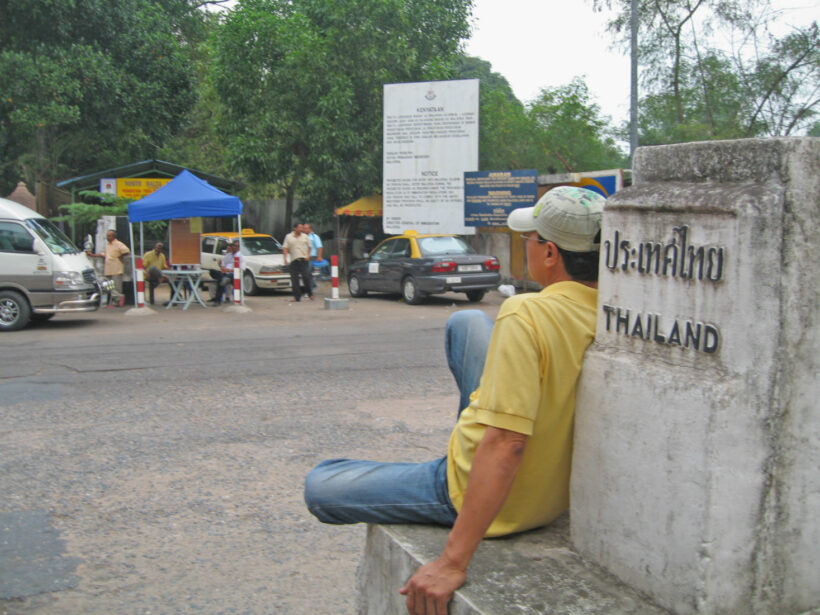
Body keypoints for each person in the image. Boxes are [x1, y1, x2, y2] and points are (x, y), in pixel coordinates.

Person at [304, 186, 605, 614]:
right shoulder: (613, 312)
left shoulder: (528, 312)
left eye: (531, 240)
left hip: (472, 491)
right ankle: (465, 435)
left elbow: (507, 444)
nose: (527, 247)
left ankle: (451, 461)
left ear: (551, 254)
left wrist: (452, 561)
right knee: (467, 321)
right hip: (549, 495)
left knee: (320, 484)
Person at [91, 230, 130, 308]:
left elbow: (126, 251)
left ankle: (117, 301)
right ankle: (118, 298)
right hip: (108, 268)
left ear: (113, 236)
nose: (107, 237)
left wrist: (120, 256)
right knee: (108, 285)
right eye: (107, 235)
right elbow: (103, 254)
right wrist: (92, 255)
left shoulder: (118, 244)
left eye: (109, 236)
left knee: (116, 286)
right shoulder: (108, 245)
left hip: (116, 267)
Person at [282, 222, 313, 302]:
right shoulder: (288, 237)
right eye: (299, 227)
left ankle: (310, 293)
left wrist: (308, 255)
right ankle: (296, 297)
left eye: (302, 228)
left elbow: (310, 247)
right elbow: (285, 248)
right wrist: (285, 259)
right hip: (294, 260)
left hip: (303, 260)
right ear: (294, 228)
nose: (301, 229)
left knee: (306, 277)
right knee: (294, 279)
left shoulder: (305, 236)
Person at [209, 239, 245, 305]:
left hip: (233, 274)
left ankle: (217, 300)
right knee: (212, 271)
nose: (233, 247)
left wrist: (228, 270)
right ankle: (223, 279)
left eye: (236, 246)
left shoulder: (240, 257)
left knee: (223, 280)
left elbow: (241, 269)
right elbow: (223, 265)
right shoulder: (229, 255)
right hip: (225, 273)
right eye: (233, 245)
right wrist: (221, 266)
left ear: (238, 247)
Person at [303, 223, 324, 288]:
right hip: (304, 257)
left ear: (310, 229)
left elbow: (319, 247)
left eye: (306, 228)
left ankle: (310, 287)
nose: (304, 230)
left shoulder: (314, 237)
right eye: (304, 228)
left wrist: (319, 256)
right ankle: (312, 285)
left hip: (311, 257)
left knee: (308, 272)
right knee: (306, 273)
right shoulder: (302, 236)